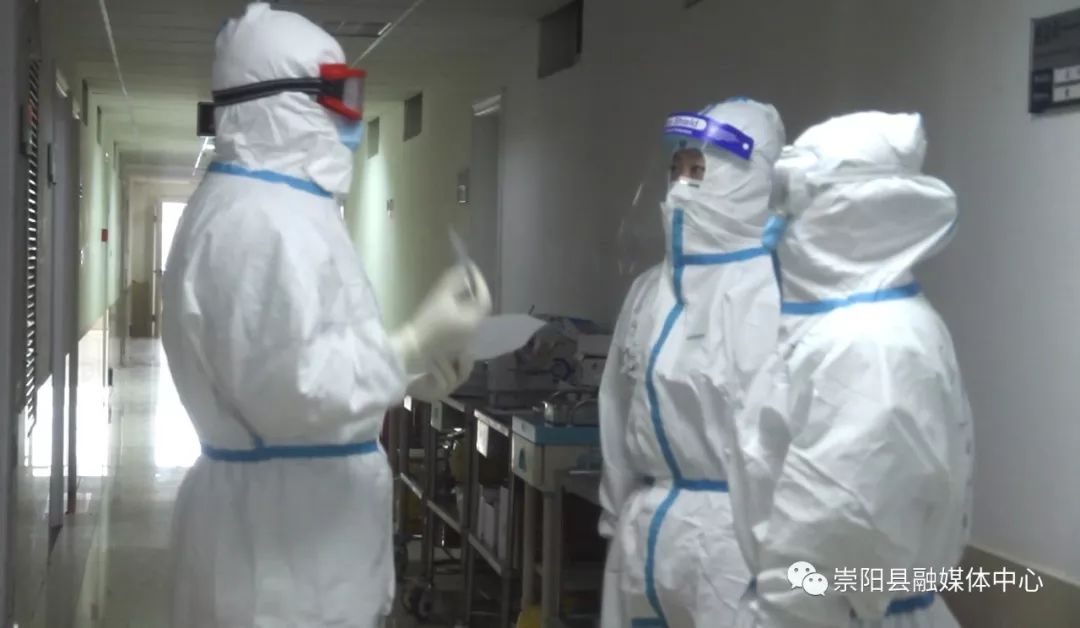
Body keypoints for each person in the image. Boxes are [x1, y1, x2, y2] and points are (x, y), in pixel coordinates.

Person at [161, 4, 491, 626]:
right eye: (337, 95)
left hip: (303, 548)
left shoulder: (286, 209)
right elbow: (291, 389)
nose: (349, 116)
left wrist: (409, 373)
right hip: (278, 565)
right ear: (280, 104)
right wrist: (410, 342)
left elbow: (310, 352)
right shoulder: (254, 220)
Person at [719, 112, 974, 627]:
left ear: (848, 208)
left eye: (790, 196)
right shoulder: (856, 328)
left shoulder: (870, 345)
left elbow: (827, 538)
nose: (776, 221)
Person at [598, 99, 786, 628]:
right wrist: (617, 510)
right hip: (647, 533)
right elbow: (616, 403)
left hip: (736, 547)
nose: (682, 188)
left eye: (700, 172)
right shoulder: (648, 292)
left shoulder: (776, 294)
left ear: (748, 180)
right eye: (677, 170)